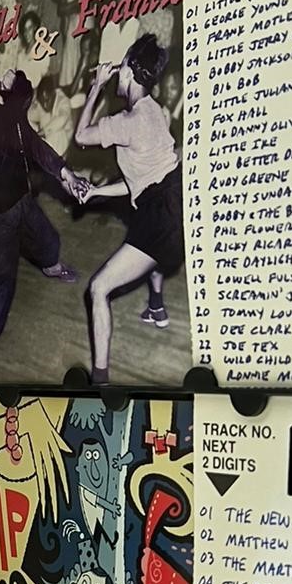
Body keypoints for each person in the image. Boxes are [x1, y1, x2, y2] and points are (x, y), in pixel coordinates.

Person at [0, 68, 88, 382]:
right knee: (1, 284)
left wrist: (66, 174)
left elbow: (35, 146)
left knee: (48, 238)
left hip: (22, 201)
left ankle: (51, 266)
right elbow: (25, 92)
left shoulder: (10, 115)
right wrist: (14, 78)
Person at [73, 34, 183, 385]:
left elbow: (81, 136)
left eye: (121, 67)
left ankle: (100, 381)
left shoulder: (127, 121)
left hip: (158, 214)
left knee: (98, 288)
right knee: (153, 251)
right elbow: (141, 180)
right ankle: (157, 306)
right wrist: (96, 192)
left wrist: (96, 87)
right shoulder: (155, 111)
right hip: (177, 200)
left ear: (131, 73)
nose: (116, 72)